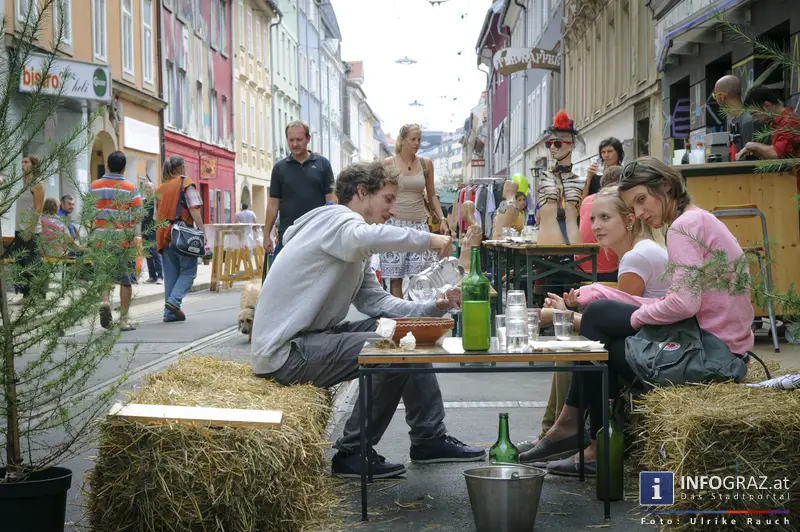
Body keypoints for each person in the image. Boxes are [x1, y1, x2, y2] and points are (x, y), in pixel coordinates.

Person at [251, 161, 485, 479]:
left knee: (407, 333)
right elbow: (368, 237)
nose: (392, 210)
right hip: (286, 352)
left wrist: (434, 307)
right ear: (362, 193)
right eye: (388, 199)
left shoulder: (349, 239)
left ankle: (429, 438)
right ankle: (352, 452)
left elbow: (378, 303)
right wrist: (427, 239)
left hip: (311, 341)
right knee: (393, 349)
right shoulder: (338, 222)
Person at [530, 157, 754, 477]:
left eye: (641, 200)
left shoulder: (683, 227)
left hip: (711, 354)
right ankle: (582, 434)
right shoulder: (697, 219)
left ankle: (584, 435)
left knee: (598, 329)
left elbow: (684, 303)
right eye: (631, 205)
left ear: (665, 187)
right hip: (713, 344)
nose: (639, 213)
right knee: (598, 317)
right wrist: (605, 294)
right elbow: (681, 299)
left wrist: (637, 318)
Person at [380, 123, 449, 299]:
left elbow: (432, 195)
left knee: (419, 278)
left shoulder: (426, 164)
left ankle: (416, 318)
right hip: (394, 225)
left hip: (419, 225)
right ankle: (400, 319)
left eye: (419, 139)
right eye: (413, 139)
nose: (416, 143)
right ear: (402, 140)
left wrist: (442, 218)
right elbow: (381, 194)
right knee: (395, 278)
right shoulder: (389, 163)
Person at [263, 120, 337, 257]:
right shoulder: (279, 168)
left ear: (308, 139)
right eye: (291, 140)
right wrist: (266, 234)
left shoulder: (323, 164)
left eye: (299, 139)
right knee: (286, 277)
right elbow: (273, 203)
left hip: (317, 232)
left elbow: (331, 200)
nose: (295, 144)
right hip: (288, 234)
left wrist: (334, 228)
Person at [92, 151, 144, 332]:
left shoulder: (94, 186)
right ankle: (123, 320)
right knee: (125, 280)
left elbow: (88, 213)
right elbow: (138, 216)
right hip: (123, 241)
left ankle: (105, 301)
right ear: (124, 169)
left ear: (107, 166)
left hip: (100, 239)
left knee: (104, 275)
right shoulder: (130, 188)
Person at [156, 155, 205, 323]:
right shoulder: (186, 183)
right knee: (189, 271)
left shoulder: (161, 187)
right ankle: (173, 302)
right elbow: (194, 210)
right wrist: (203, 231)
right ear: (182, 167)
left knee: (171, 275)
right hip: (183, 234)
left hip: (164, 234)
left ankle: (169, 313)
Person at [736, 87, 800, 181]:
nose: (754, 119)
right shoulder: (777, 124)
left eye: (755, 114)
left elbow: (777, 154)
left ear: (767, 105)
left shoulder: (789, 123)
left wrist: (753, 146)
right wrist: (759, 152)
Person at [5, 154, 44, 305]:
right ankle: (26, 296)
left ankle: (35, 296)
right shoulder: (24, 184)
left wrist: (30, 229)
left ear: (34, 165)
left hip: (31, 231)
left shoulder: (38, 184)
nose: (22, 164)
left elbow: (38, 208)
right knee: (20, 262)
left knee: (31, 262)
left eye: (26, 162)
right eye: (22, 162)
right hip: (19, 229)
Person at [713, 75, 755, 154]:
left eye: (715, 96)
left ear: (722, 96)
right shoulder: (734, 122)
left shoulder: (748, 121)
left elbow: (749, 157)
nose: (716, 100)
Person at [141, 182, 163, 285]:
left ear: (154, 189)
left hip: (153, 230)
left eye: (149, 187)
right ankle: (152, 276)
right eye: (146, 187)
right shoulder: (143, 201)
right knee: (147, 254)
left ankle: (160, 276)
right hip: (144, 230)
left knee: (155, 253)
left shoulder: (156, 201)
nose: (147, 189)